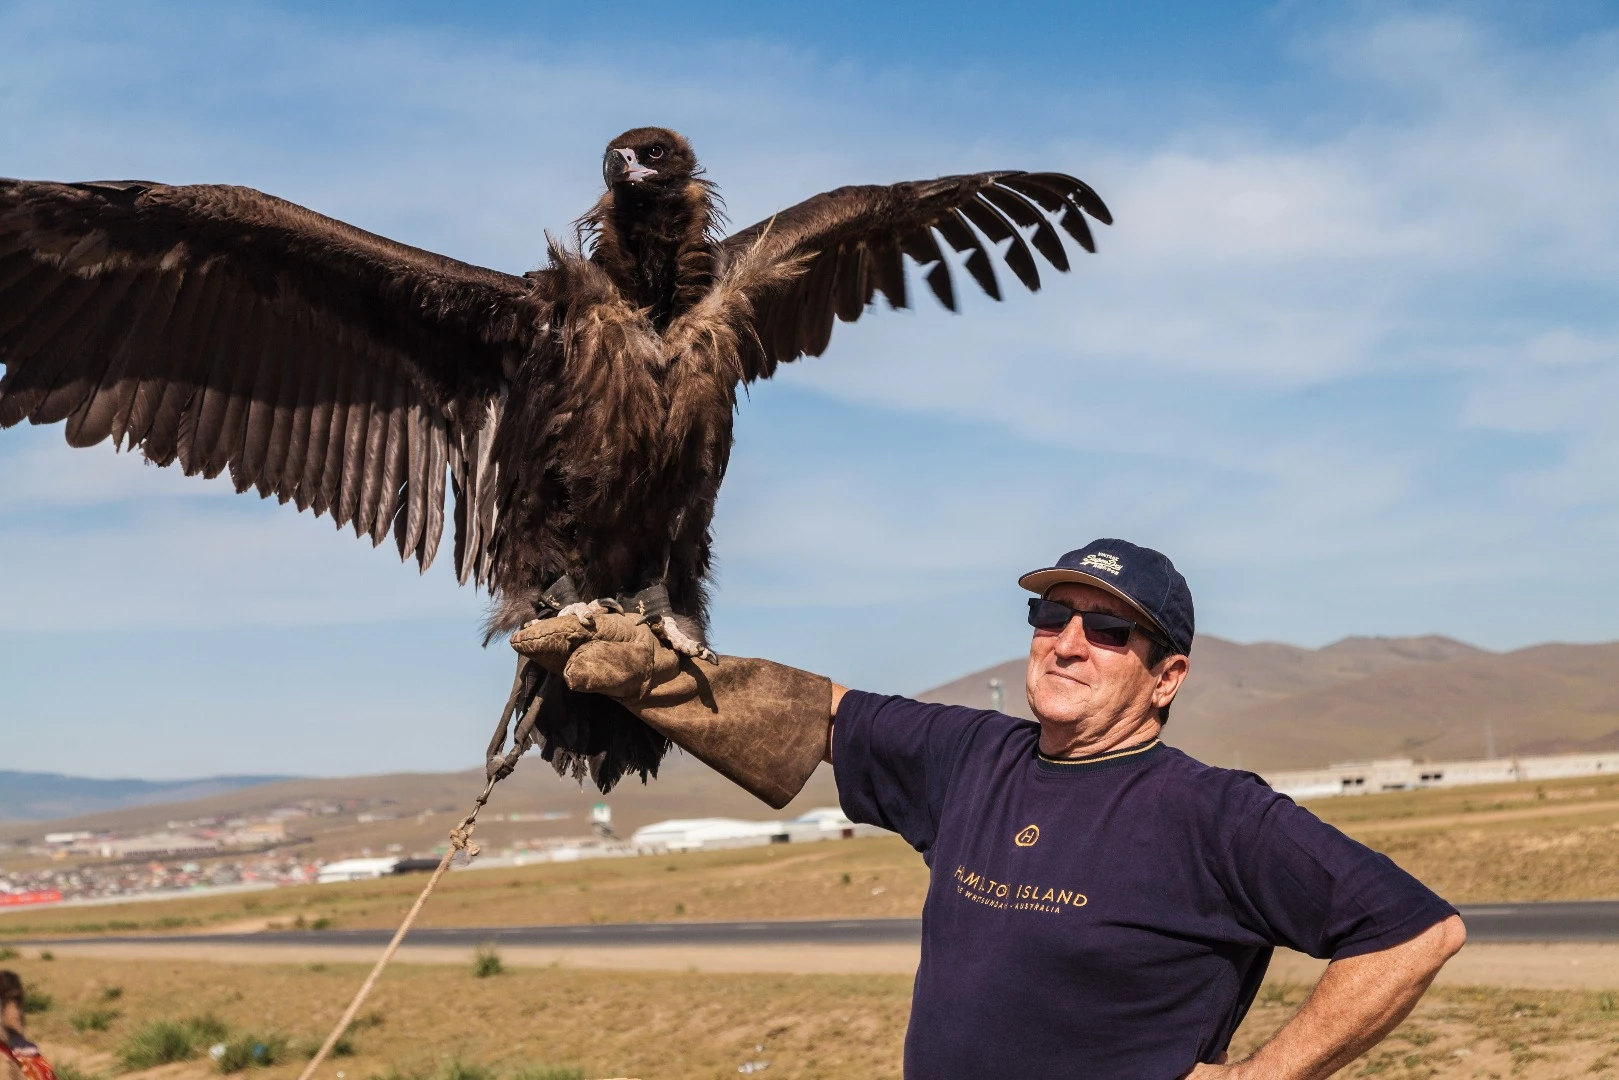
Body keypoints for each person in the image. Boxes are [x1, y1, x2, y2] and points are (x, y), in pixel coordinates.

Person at [513, 537, 1466, 1079]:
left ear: (1167, 675)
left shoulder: (1216, 816)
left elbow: (1413, 932)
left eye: (1107, 629)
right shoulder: (970, 756)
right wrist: (640, 670)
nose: (1066, 642)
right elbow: (810, 714)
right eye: (1049, 617)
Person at [1, 971, 58, 1080]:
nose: (18, 1012)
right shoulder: (4, 1060)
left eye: (18, 1002)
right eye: (12, 1002)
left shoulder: (26, 1053)